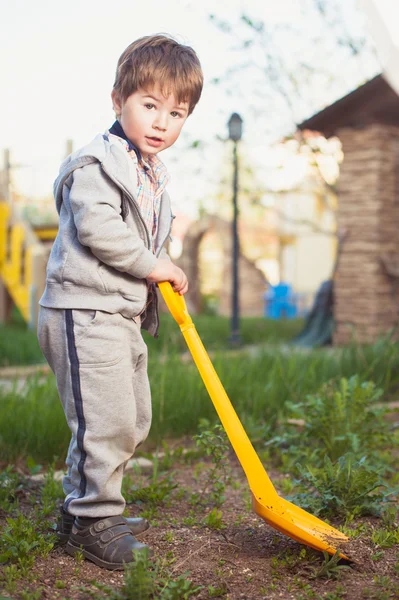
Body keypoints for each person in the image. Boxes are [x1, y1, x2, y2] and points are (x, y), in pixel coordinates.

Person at [37, 34, 203, 570]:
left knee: (128, 419)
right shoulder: (94, 167)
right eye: (149, 106)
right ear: (118, 100)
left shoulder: (154, 178)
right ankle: (94, 520)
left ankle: (80, 509)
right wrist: (154, 265)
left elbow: (151, 245)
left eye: (176, 113)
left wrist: (164, 274)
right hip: (82, 310)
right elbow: (100, 230)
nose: (162, 123)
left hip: (119, 314)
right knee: (104, 419)